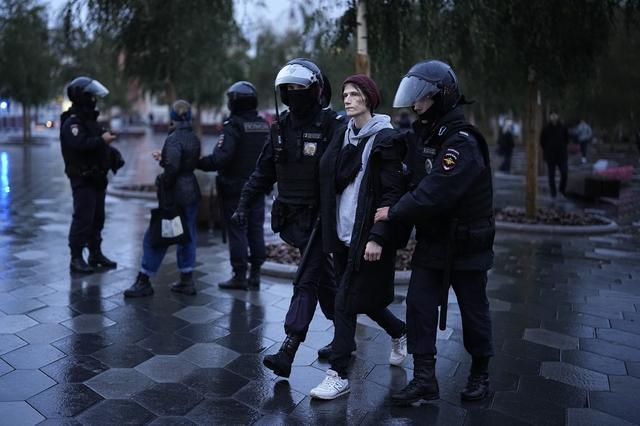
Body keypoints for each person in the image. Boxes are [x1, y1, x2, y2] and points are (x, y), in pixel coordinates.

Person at [375, 60, 495, 404]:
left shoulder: (462, 142)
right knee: (418, 306)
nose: (416, 106)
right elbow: (402, 153)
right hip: (433, 243)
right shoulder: (424, 135)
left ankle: (480, 375)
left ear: (442, 98)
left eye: (422, 99)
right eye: (414, 99)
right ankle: (424, 378)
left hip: (467, 244)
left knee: (473, 312)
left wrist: (394, 212)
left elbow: (436, 191)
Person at [232, 58, 343, 378]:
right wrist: (243, 205)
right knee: (323, 280)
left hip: (323, 219)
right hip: (293, 221)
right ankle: (358, 333)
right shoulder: (278, 128)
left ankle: (289, 348)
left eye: (300, 89)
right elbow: (262, 173)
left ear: (316, 91)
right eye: (288, 90)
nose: (293, 95)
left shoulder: (332, 125)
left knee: (306, 280)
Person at [309, 75, 408, 400]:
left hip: (366, 235)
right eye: (345, 94)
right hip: (341, 232)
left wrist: (378, 237)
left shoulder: (386, 139)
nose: (348, 99)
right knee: (360, 300)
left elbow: (393, 192)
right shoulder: (343, 134)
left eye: (354, 94)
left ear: (368, 98)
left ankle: (338, 374)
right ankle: (399, 331)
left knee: (344, 302)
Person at [124, 100, 201, 298]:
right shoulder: (193, 136)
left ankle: (144, 280)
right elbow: (183, 162)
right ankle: (187, 279)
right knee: (187, 236)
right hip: (191, 191)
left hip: (175, 196)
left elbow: (173, 168)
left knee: (156, 237)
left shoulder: (174, 138)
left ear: (173, 116)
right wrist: (165, 160)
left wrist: (162, 178)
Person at [198, 81, 268, 290]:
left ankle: (239, 276)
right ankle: (255, 275)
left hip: (235, 190)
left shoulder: (233, 125)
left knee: (238, 231)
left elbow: (221, 158)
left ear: (236, 102)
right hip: (257, 188)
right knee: (256, 230)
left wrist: (198, 161)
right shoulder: (263, 125)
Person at [60, 76, 122, 274]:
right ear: (81, 96)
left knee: (98, 218)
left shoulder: (90, 121)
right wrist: (102, 141)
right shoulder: (72, 123)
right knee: (83, 218)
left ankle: (95, 253)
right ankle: (76, 258)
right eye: (91, 95)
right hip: (82, 178)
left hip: (97, 179)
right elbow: (80, 145)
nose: (94, 99)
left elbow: (97, 143)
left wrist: (112, 154)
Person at [540, 112, 570, 198]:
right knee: (551, 176)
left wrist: (562, 147)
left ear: (557, 116)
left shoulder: (563, 127)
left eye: (555, 115)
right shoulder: (546, 128)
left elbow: (567, 139)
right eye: (552, 115)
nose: (553, 117)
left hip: (562, 155)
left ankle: (561, 190)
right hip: (550, 156)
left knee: (564, 173)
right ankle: (553, 193)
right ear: (550, 117)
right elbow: (542, 141)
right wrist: (547, 149)